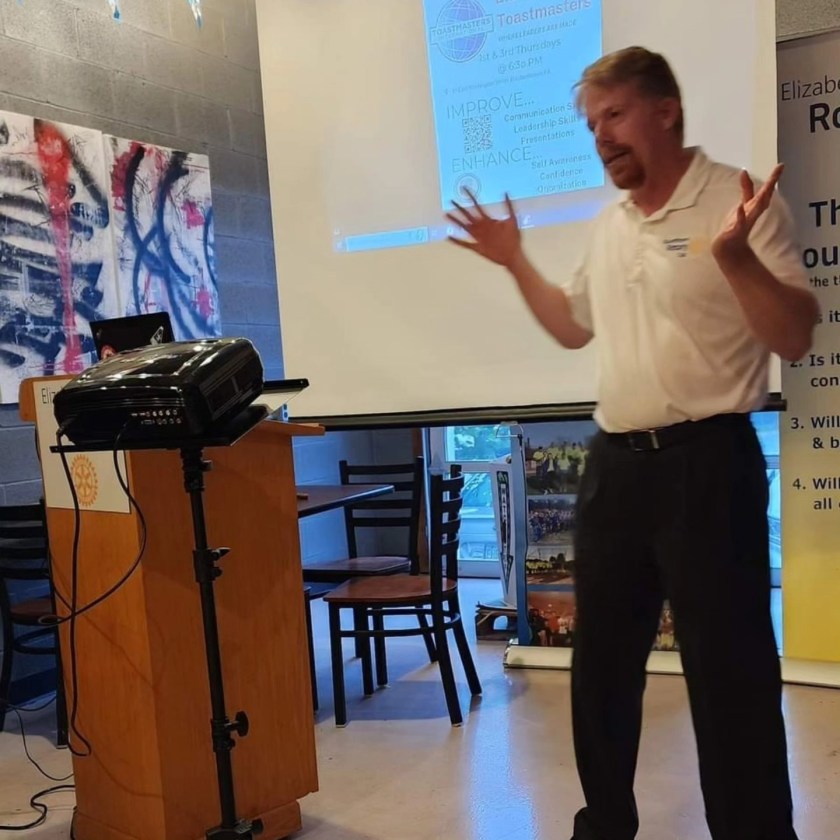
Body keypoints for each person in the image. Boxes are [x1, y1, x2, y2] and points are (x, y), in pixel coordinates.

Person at [447, 46, 818, 840]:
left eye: (614, 115)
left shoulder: (737, 200)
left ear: (665, 110)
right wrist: (515, 260)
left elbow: (795, 335)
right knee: (601, 671)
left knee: (730, 676)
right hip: (615, 467)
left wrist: (734, 259)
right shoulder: (609, 225)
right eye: (591, 124)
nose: (601, 136)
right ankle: (605, 826)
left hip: (708, 464)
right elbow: (572, 327)